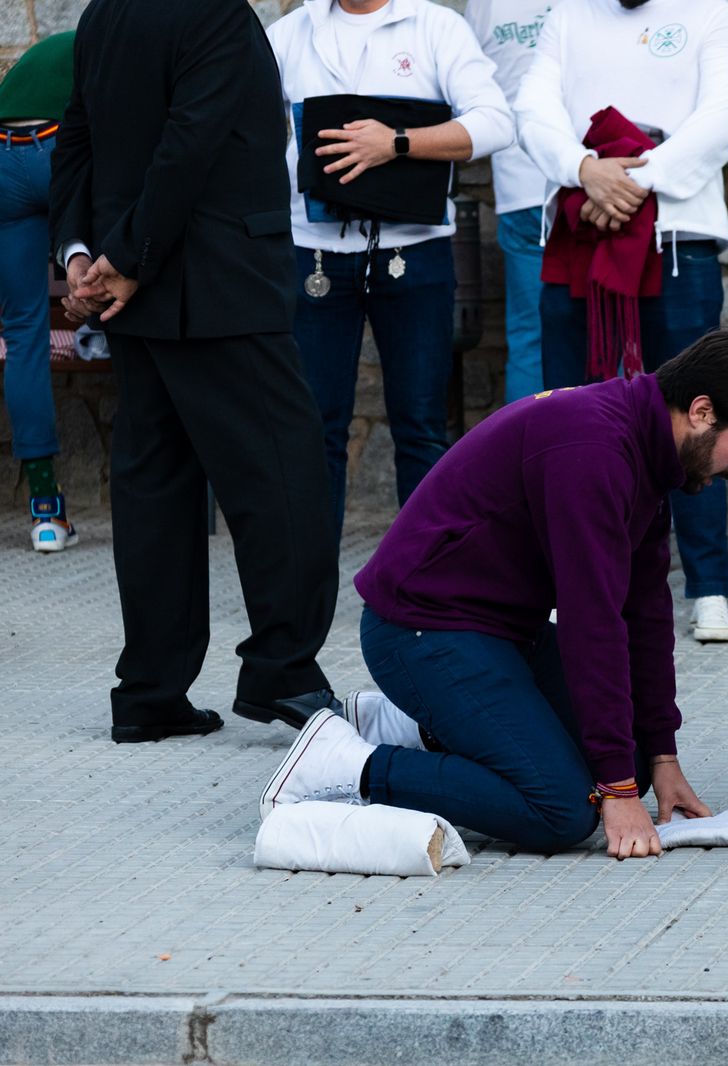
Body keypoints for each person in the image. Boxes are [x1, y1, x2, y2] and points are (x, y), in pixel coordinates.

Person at [260, 330, 728, 859]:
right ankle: (343, 765)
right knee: (561, 809)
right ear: (702, 412)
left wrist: (661, 757)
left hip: (497, 632)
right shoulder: (596, 450)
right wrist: (616, 792)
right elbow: (592, 625)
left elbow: (646, 616)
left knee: (629, 760)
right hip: (419, 630)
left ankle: (418, 728)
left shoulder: (650, 453)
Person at [49, 0, 342, 742]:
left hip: (137, 290)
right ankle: (284, 672)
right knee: (284, 478)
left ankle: (150, 692)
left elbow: (76, 137)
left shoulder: (104, 13)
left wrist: (82, 253)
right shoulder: (213, 13)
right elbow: (189, 144)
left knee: (155, 489)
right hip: (219, 283)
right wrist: (127, 259)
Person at [515, 0, 728, 644]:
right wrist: (584, 170)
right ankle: (574, 586)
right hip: (580, 229)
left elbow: (722, 116)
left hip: (676, 236)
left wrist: (632, 182)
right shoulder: (568, 15)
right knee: (571, 414)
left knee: (701, 411)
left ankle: (708, 587)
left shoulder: (711, 13)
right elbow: (533, 107)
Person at [267, 0, 515, 543]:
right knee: (315, 429)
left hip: (415, 252)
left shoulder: (437, 26)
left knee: (421, 427)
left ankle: (422, 576)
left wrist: (396, 143)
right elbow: (246, 130)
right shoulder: (288, 33)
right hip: (313, 253)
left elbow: (497, 123)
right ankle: (309, 583)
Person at [0, 32, 77, 553]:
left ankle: (45, 515)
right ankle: (152, 499)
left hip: (4, 156)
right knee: (133, 310)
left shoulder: (56, 49)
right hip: (58, 148)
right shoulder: (126, 45)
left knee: (24, 333)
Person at [464, 0, 560, 403]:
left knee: (529, 334)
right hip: (594, 179)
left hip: (520, 183)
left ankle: (528, 439)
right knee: (610, 330)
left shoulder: (484, 4)